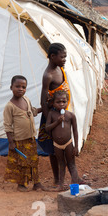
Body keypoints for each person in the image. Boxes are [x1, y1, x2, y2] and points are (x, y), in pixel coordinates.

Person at [3, 75, 44, 192]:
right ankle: (21, 184)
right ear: (11, 87)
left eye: (23, 87)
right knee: (22, 162)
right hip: (19, 140)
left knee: (34, 160)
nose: (20, 89)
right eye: (17, 86)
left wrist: (44, 108)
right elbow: (7, 126)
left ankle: (37, 183)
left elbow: (33, 111)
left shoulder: (26, 99)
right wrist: (11, 142)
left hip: (31, 138)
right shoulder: (9, 106)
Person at [38, 43, 70, 186]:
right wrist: (49, 123)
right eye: (62, 57)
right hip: (51, 117)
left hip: (62, 114)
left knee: (62, 146)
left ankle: (62, 179)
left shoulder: (60, 69)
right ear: (52, 56)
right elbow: (43, 102)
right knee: (53, 149)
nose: (64, 59)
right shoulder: (48, 75)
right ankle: (57, 179)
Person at [45, 90, 80, 191]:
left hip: (68, 143)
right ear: (53, 103)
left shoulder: (70, 115)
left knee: (72, 164)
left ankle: (74, 185)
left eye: (64, 102)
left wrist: (76, 146)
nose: (61, 104)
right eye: (58, 102)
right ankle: (61, 185)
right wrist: (57, 122)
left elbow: (75, 131)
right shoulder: (52, 114)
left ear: (67, 102)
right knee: (61, 164)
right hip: (57, 145)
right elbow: (47, 128)